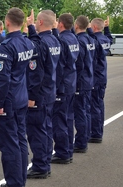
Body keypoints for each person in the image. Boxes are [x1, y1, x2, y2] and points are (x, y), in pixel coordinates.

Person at [0, 7, 34, 187]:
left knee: (9, 144)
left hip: (9, 101)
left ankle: (14, 185)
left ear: (7, 22)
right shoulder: (27, 43)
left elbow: (2, 79)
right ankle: (20, 179)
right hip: (21, 97)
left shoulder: (6, 46)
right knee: (20, 140)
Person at [25, 9, 61, 178]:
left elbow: (35, 73)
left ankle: (40, 166)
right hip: (50, 91)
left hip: (39, 94)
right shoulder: (55, 40)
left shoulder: (42, 43)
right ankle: (44, 162)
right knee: (46, 128)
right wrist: (32, 28)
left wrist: (31, 97)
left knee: (37, 130)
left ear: (40, 22)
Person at [51, 13, 79, 164]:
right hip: (71, 83)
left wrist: (56, 87)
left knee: (60, 120)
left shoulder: (62, 40)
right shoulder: (74, 38)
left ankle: (62, 152)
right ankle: (67, 149)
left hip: (62, 86)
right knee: (68, 118)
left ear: (60, 24)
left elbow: (59, 67)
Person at [86, 17, 112, 143]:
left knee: (95, 106)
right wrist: (107, 28)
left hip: (96, 77)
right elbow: (110, 39)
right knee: (99, 104)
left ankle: (96, 133)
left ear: (94, 27)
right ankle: (98, 130)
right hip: (102, 76)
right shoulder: (105, 39)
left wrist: (88, 29)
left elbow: (94, 39)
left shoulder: (96, 40)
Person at [73, 15, 96, 153]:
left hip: (82, 81)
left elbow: (79, 63)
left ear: (76, 25)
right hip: (89, 79)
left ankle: (81, 142)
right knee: (86, 111)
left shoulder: (80, 41)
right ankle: (85, 137)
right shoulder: (90, 39)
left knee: (81, 112)